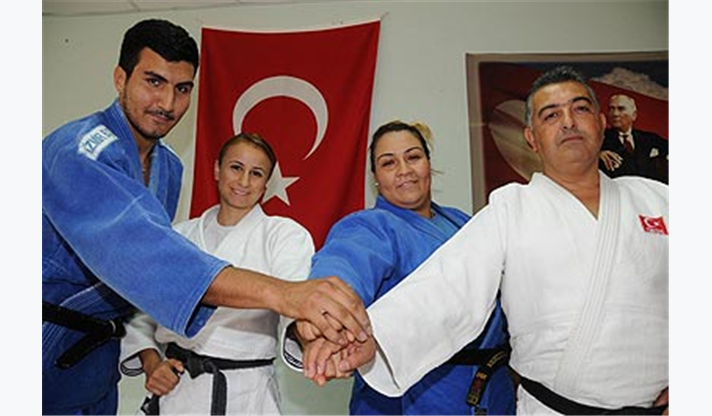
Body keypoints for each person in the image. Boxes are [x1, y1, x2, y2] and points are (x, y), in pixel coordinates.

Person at [42, 19, 370, 415]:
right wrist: (285, 295)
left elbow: (140, 290)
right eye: (154, 82)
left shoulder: (168, 166)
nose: (167, 103)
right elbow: (148, 265)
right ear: (120, 78)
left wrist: (309, 331)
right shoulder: (80, 151)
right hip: (45, 341)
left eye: (182, 89)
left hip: (97, 363)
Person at [312, 67, 669, 414]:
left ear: (602, 123)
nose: (568, 122)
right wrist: (365, 335)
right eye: (551, 115)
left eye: (580, 109)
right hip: (531, 404)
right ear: (531, 137)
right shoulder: (508, 209)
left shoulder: (660, 201)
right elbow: (447, 287)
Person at [284, 121, 516, 415]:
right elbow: (344, 263)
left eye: (413, 157)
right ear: (376, 177)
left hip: (493, 388)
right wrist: (322, 312)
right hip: (410, 395)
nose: (404, 170)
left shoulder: (462, 223)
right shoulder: (370, 227)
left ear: (429, 163)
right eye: (389, 163)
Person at [119, 132, 314, 415]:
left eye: (256, 173)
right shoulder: (178, 236)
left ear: (266, 184)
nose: (244, 181)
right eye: (236, 167)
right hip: (177, 389)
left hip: (246, 395)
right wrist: (152, 363)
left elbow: (293, 302)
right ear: (217, 169)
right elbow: (142, 313)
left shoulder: (284, 236)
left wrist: (309, 334)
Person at [598, 93, 668, 183]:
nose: (615, 114)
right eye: (611, 109)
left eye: (621, 109)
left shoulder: (649, 138)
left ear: (634, 115)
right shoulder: (598, 137)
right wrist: (597, 155)